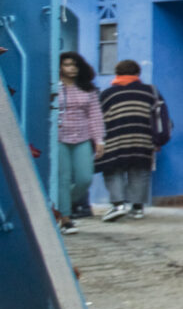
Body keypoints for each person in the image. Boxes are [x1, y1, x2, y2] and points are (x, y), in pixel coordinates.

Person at [96, 60, 170, 221]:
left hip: (115, 138)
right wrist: (159, 139)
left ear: (117, 74)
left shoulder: (107, 93)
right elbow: (161, 116)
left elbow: (98, 118)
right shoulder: (151, 91)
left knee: (113, 170)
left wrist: (97, 141)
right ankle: (137, 208)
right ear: (138, 74)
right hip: (142, 138)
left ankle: (118, 205)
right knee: (140, 170)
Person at [53, 52, 102, 230]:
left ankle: (59, 204)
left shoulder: (87, 88)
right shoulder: (54, 87)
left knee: (85, 178)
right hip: (59, 138)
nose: (71, 68)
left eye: (74, 65)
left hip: (82, 137)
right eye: (67, 65)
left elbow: (95, 116)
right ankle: (65, 218)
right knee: (63, 178)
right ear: (59, 67)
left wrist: (99, 140)